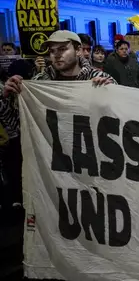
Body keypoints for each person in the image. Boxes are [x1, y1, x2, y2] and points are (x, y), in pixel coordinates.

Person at [0, 31, 114, 215]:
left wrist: (111, 93)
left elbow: (117, 121)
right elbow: (17, 126)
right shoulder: (39, 83)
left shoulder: (99, 79)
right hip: (54, 170)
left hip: (92, 169)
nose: (57, 54)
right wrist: (6, 98)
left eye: (63, 49)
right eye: (52, 51)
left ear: (78, 50)